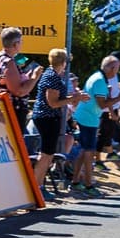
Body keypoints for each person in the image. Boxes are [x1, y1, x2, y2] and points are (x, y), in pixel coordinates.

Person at [29, 48, 75, 191]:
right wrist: (74, 98)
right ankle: (37, 187)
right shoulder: (52, 77)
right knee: (45, 155)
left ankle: (40, 186)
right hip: (47, 118)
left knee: (48, 155)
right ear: (63, 62)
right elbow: (53, 103)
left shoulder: (52, 75)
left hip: (49, 118)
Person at [70, 55, 116, 190]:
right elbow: (102, 105)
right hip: (88, 118)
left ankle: (76, 181)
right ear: (112, 68)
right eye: (117, 69)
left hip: (87, 117)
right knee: (89, 151)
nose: (116, 72)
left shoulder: (97, 76)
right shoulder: (100, 80)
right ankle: (89, 185)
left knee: (85, 150)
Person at [0, 26, 34, 123]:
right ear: (15, 44)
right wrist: (35, 77)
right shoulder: (9, 62)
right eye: (21, 42)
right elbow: (18, 91)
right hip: (11, 110)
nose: (22, 44)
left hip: (1, 106)